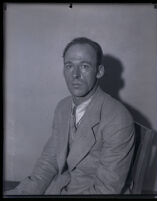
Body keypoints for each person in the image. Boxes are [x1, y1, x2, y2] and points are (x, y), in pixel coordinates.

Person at [5, 37, 135, 195]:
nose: (75, 74)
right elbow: (49, 162)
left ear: (99, 71)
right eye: (69, 66)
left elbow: (106, 189)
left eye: (85, 66)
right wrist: (22, 193)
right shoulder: (63, 107)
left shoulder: (118, 118)